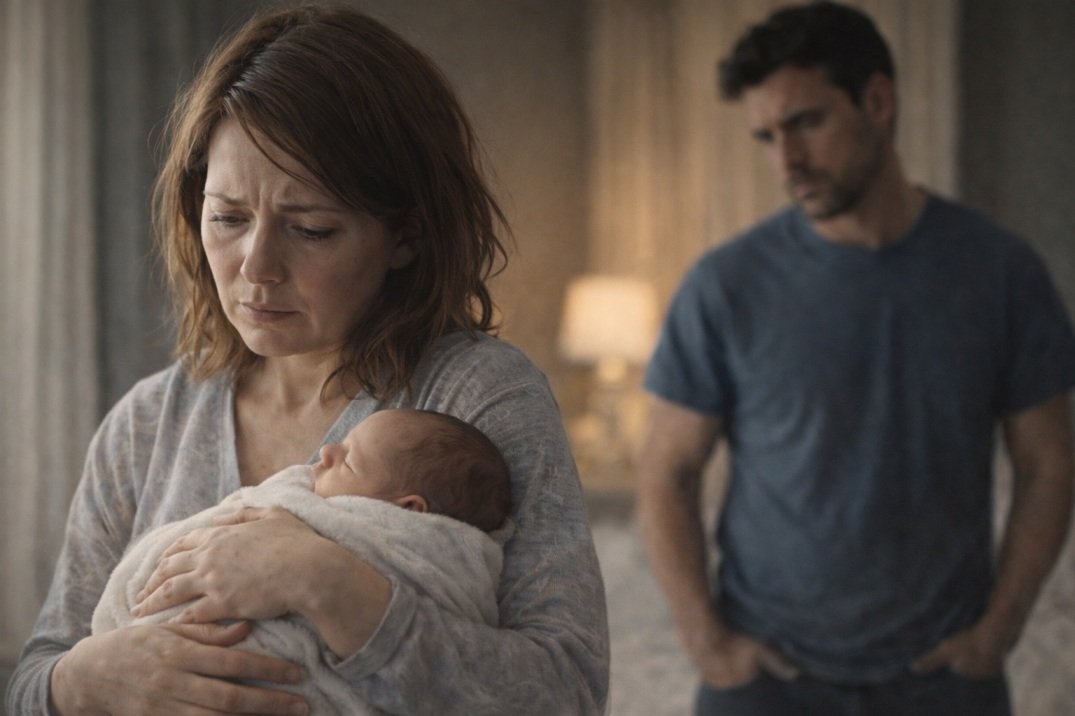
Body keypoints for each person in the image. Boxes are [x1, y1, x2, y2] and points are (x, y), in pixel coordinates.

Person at [6, 5, 608, 715]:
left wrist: (329, 584)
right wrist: (80, 682)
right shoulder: (146, 426)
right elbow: (31, 678)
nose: (256, 268)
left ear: (405, 237)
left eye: (311, 228)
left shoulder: (478, 397)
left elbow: (565, 692)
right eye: (227, 218)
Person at [637, 2, 1075, 715]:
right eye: (766, 137)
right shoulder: (725, 285)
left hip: (944, 681)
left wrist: (997, 632)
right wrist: (707, 645)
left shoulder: (999, 272)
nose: (786, 161)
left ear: (877, 100)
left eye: (805, 123)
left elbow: (1047, 464)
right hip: (768, 683)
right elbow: (666, 469)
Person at [91, 408, 512, 715]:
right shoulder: (140, 420)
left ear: (409, 511)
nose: (326, 452)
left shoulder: (402, 539)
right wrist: (80, 676)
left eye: (347, 459)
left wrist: (315, 571)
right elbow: (43, 672)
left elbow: (561, 689)